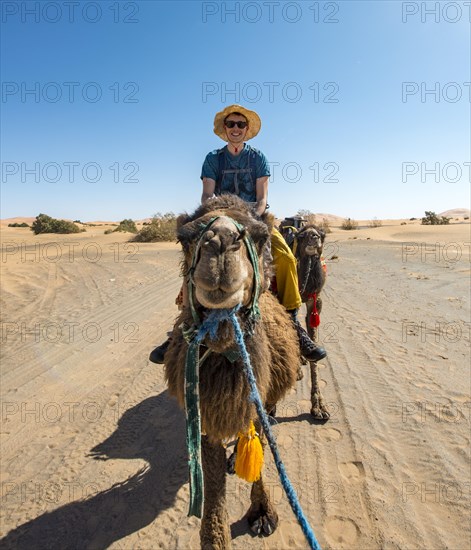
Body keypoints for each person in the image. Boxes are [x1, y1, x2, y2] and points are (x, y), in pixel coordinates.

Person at [149, 105, 327, 363]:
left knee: (287, 259)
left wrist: (251, 220)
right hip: (219, 215)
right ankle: (182, 327)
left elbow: (262, 197)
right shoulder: (213, 158)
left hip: (251, 217)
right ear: (224, 129)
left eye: (240, 125)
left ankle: (294, 325)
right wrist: (212, 213)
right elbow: (207, 194)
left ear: (247, 130)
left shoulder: (258, 158)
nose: (235, 129)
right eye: (231, 124)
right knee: (193, 260)